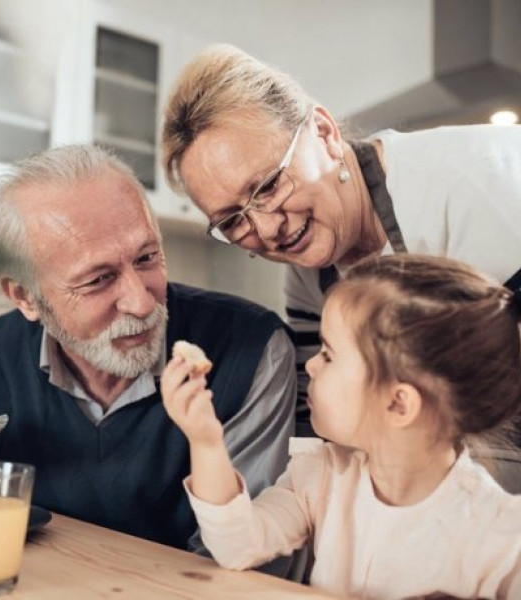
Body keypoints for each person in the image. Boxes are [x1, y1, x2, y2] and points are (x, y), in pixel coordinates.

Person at [0, 144, 297, 561]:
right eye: (98, 280)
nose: (142, 303)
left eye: (147, 257)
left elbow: (247, 564)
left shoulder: (252, 350)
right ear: (25, 297)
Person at [160, 43, 521, 439]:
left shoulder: (477, 189)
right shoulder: (310, 277)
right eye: (231, 221)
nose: (265, 230)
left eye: (267, 186)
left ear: (324, 133)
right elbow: (319, 414)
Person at [162, 253, 521, 599]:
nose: (312, 367)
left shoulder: (500, 534)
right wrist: (206, 442)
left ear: (398, 404)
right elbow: (237, 546)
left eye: (329, 355)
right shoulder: (320, 475)